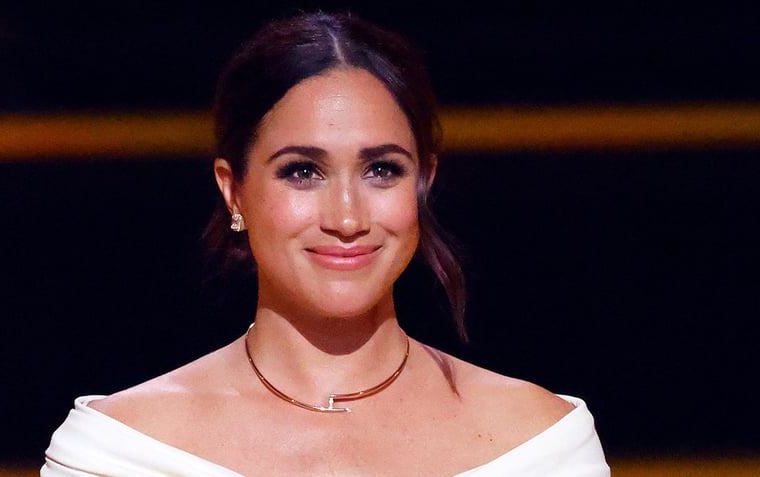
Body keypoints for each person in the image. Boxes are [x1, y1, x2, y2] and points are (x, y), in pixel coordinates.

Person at [42, 10, 610, 476]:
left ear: (424, 183)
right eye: (302, 172)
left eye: (381, 170)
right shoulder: (119, 453)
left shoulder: (538, 445)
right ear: (233, 189)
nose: (346, 218)